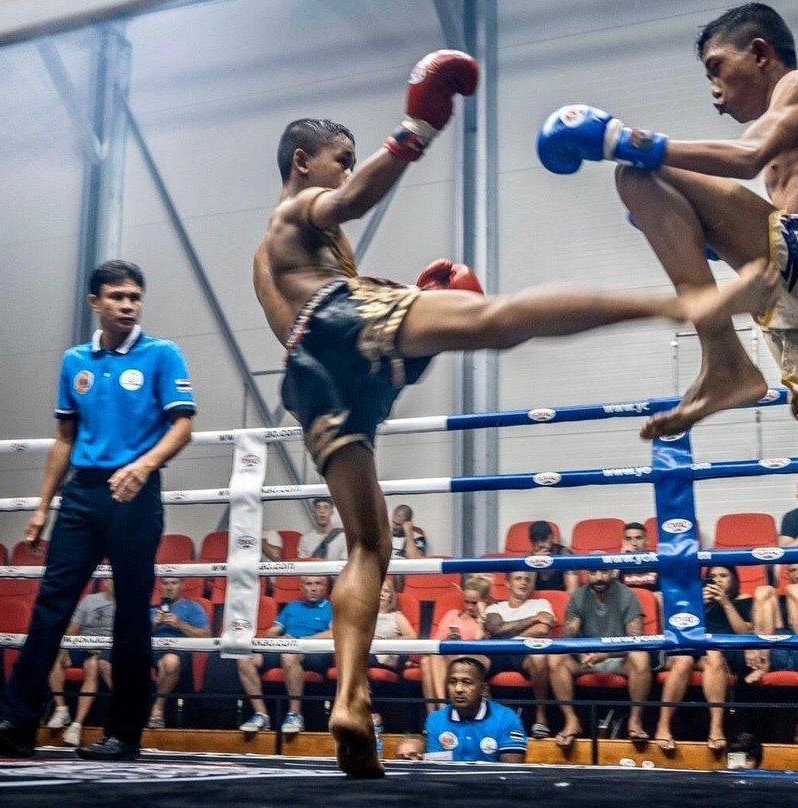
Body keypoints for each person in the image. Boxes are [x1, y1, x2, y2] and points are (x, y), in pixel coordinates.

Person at [252, 50, 726, 777]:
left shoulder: (288, 258)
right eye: (337, 159)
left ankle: (349, 700)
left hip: (313, 381)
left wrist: (411, 292)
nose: (345, 171)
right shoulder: (297, 211)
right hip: (335, 327)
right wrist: (416, 127)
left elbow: (338, 317)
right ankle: (679, 302)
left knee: (368, 544)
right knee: (497, 319)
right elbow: (345, 208)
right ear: (301, 160)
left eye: (350, 160)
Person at [536, 3, 798, 796]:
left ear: (759, 52)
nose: (714, 89)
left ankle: (724, 363)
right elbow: (740, 183)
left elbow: (745, 160)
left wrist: (622, 136)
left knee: (636, 174)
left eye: (717, 69)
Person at [0, 260, 195, 762]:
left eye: (135, 297)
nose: (128, 305)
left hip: (134, 493)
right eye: (118, 296)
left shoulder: (162, 354)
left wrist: (143, 467)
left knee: (130, 615)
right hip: (81, 496)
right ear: (95, 302)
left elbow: (182, 425)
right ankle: (18, 721)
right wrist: (41, 508)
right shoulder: (74, 361)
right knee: (51, 605)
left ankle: (124, 733)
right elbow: (64, 438)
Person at [654, 565, 753, 755]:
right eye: (713, 576)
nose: (718, 580)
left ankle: (716, 728)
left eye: (723, 576)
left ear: (734, 579)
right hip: (687, 649)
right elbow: (675, 630)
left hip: (720, 653)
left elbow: (744, 632)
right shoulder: (692, 599)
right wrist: (696, 605)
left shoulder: (744, 601)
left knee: (713, 655)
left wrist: (725, 602)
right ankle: (663, 726)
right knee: (683, 660)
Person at [548, 567, 650, 747]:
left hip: (619, 658)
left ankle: (635, 721)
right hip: (586, 658)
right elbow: (568, 636)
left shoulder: (627, 595)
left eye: (603, 572)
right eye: (593, 573)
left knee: (641, 657)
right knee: (556, 658)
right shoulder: (579, 596)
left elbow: (636, 639)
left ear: (613, 572)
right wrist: (582, 649)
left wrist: (605, 653)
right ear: (587, 574)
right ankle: (571, 721)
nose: (599, 578)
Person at [236, 575, 334, 735]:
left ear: (325, 588)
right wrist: (278, 638)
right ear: (302, 588)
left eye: (318, 584)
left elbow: (334, 632)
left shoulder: (331, 607)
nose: (314, 588)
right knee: (245, 659)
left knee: (288, 655)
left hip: (315, 651)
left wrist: (300, 640)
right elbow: (271, 632)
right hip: (286, 647)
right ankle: (261, 715)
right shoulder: (292, 606)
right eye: (309, 584)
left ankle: (295, 714)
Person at [482, 570, 555, 738]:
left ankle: (541, 717)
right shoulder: (495, 607)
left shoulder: (540, 604)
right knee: (469, 663)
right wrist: (533, 619)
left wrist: (508, 633)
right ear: (508, 583)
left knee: (539, 657)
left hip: (525, 650)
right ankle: (487, 716)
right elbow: (495, 628)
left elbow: (543, 629)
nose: (523, 583)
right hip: (497, 651)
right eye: (518, 579)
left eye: (527, 579)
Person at [46, 577, 116, 747]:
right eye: (111, 579)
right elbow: (73, 628)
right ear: (106, 581)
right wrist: (64, 648)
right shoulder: (90, 600)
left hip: (107, 650)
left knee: (92, 665)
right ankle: (62, 709)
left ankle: (77, 724)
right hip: (82, 646)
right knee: (51, 656)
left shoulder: (129, 601)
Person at [423, 657, 527, 763]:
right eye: (452, 682)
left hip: (492, 779)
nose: (458, 689)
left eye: (467, 682)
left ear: (483, 689)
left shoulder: (506, 718)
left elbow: (511, 772)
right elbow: (436, 770)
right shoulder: (436, 719)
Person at [147, 576, 211, 728]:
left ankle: (157, 708)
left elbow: (206, 635)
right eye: (165, 583)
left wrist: (180, 625)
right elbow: (135, 637)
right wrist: (152, 626)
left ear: (182, 585)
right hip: (152, 650)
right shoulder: (151, 610)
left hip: (179, 651)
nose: (169, 587)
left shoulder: (192, 607)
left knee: (169, 662)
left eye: (174, 583)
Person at [421, 576, 489, 713]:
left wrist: (482, 616)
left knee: (436, 658)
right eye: (467, 602)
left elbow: (479, 643)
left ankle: (440, 710)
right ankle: (434, 714)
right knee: (427, 661)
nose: (469, 607)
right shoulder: (452, 614)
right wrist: (450, 638)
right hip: (447, 657)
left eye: (474, 603)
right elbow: (436, 641)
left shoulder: (487, 619)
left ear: (483, 601)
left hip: (474, 658)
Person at [370, 577, 417, 672]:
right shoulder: (364, 615)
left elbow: (412, 636)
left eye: (386, 591)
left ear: (391, 597)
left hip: (385, 656)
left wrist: (384, 641)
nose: (381, 594)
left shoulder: (396, 616)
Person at [527, 521, 578, 595]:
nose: (540, 544)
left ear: (552, 537)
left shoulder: (565, 555)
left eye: (544, 538)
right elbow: (526, 594)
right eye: (536, 540)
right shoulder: (528, 559)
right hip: (537, 604)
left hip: (562, 602)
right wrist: (535, 564)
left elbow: (573, 592)